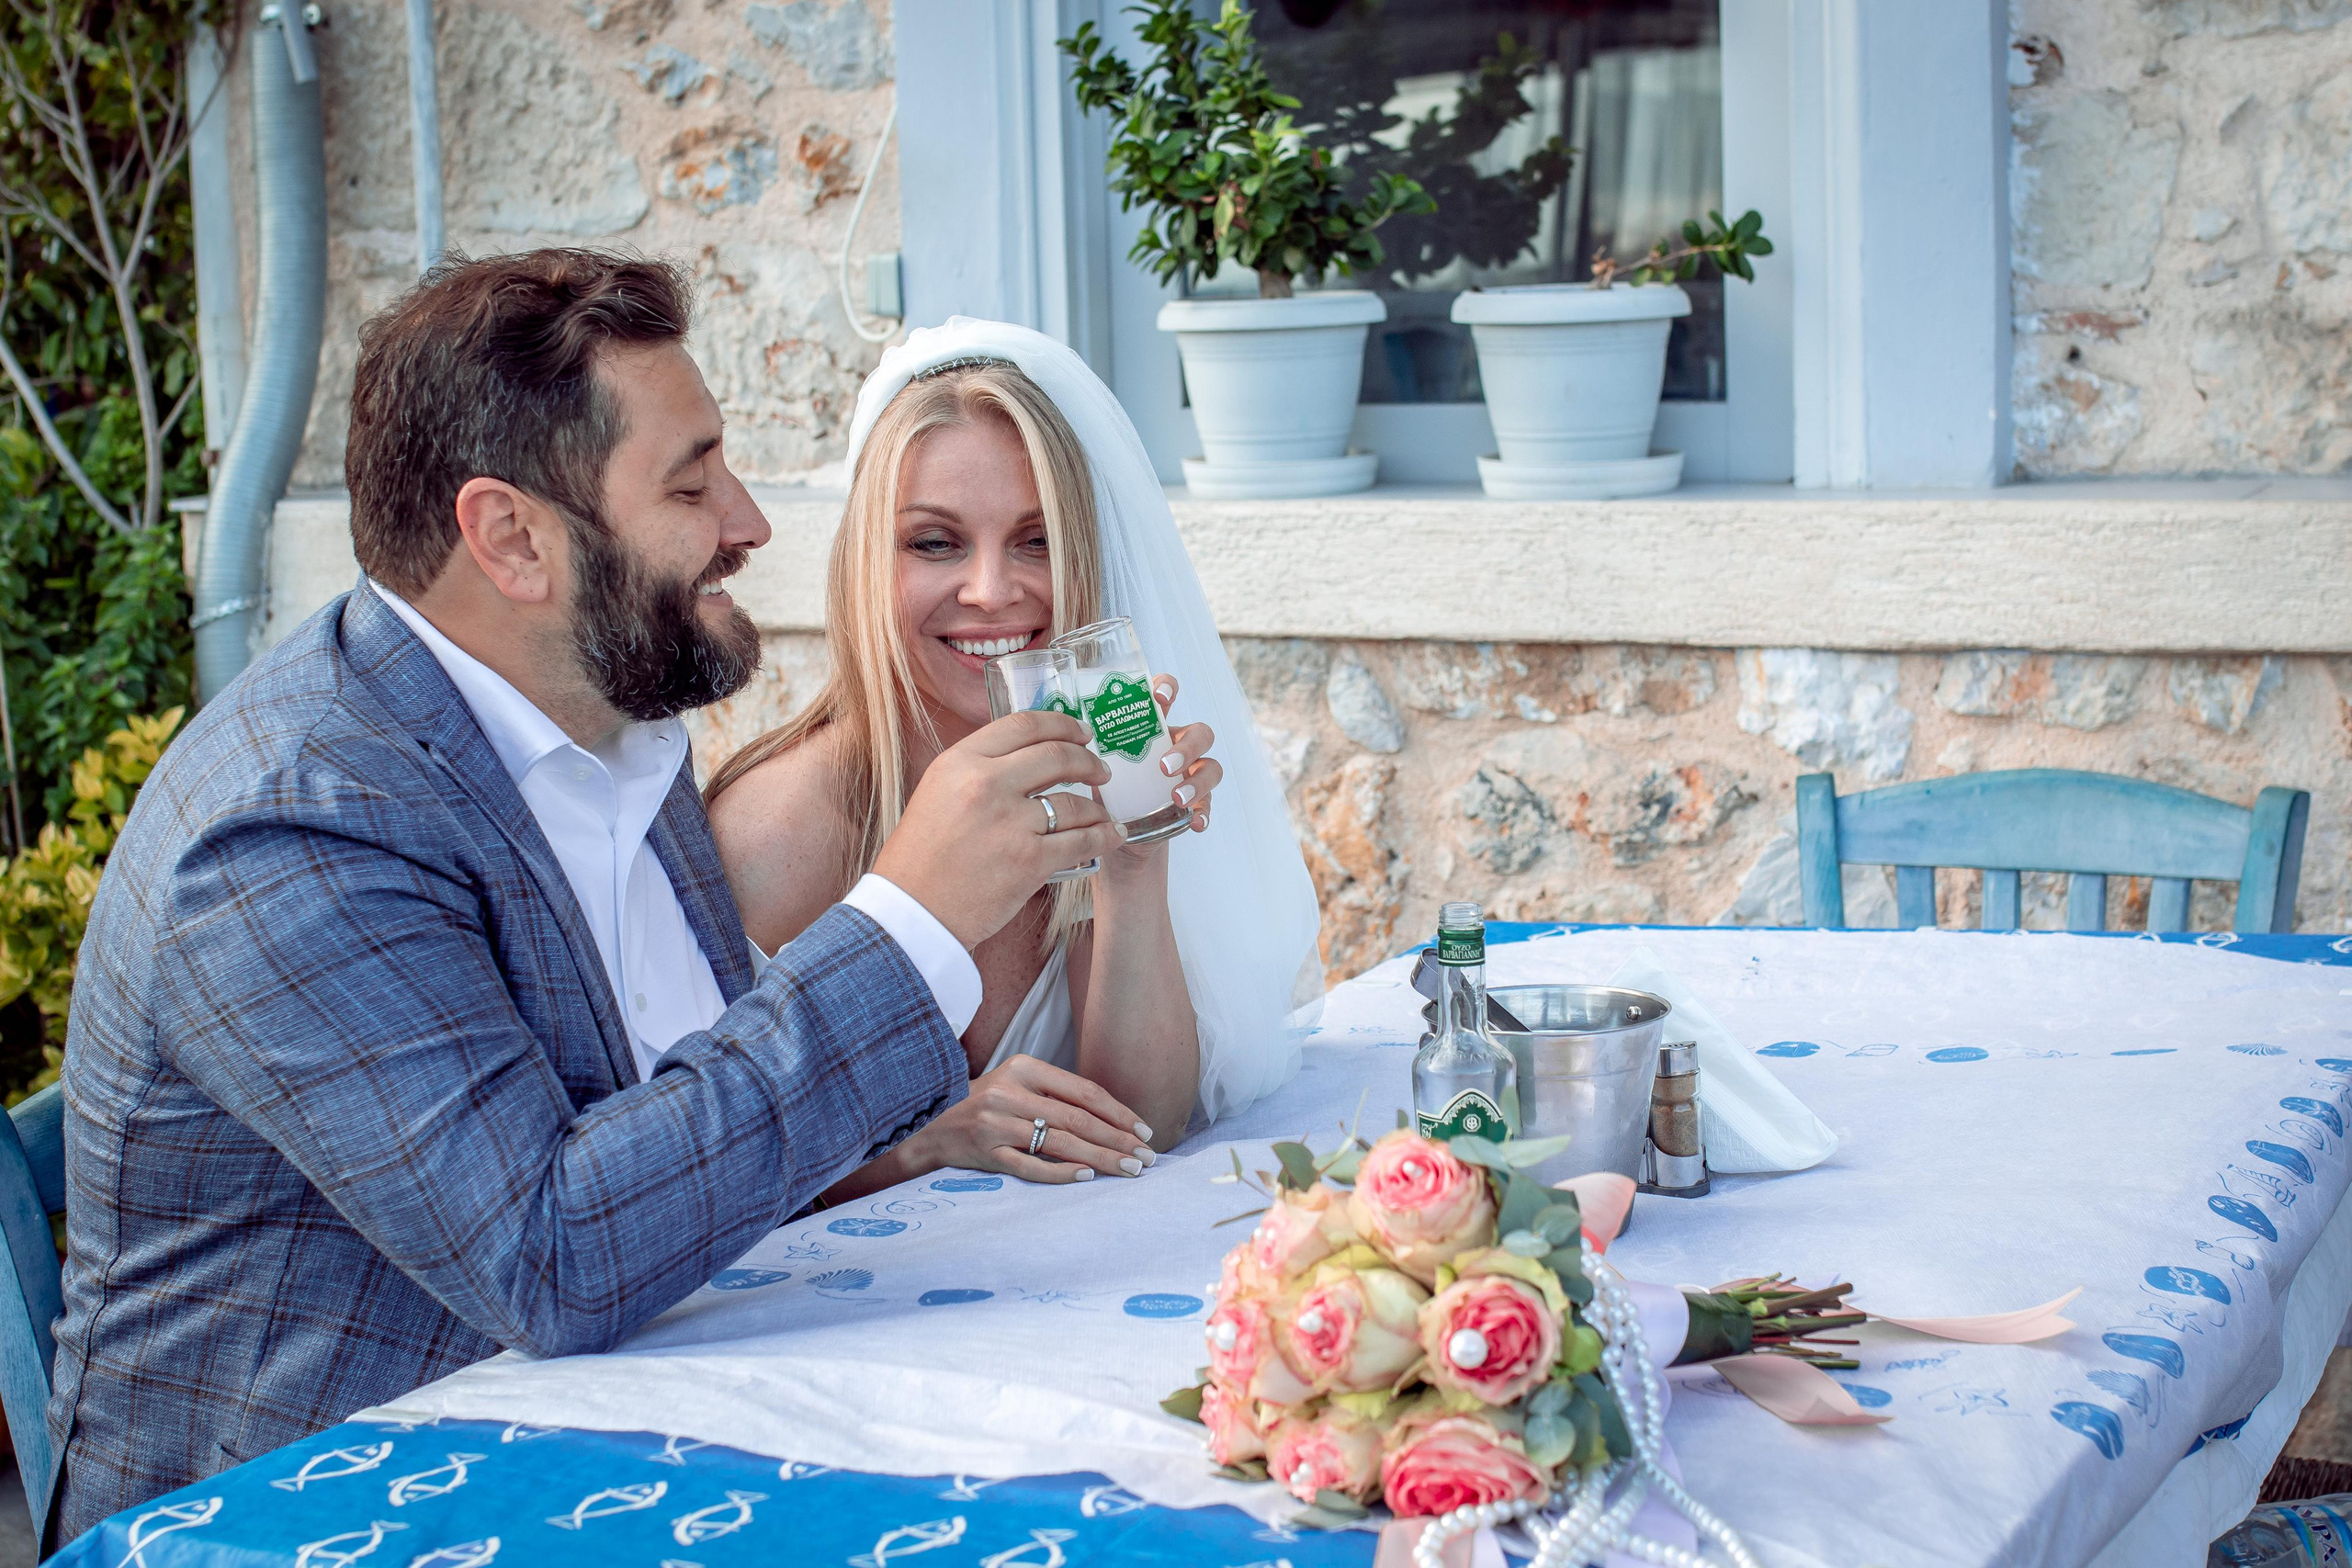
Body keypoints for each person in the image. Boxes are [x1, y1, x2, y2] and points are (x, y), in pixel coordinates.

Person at [45, 254, 1122, 1539]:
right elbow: (553, 1255)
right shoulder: (290, 834)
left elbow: (679, 1135)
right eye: (692, 480)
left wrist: (912, 1130)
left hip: (598, 1421)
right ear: (512, 538)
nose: (750, 521)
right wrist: (909, 919)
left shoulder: (612, 719)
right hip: (306, 1503)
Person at [706, 320, 1322, 1199]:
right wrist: (926, 1139)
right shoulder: (772, 833)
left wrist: (1134, 862)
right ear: (862, 568)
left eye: (1036, 541)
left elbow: (1137, 1121)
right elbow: (701, 1164)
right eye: (935, 542)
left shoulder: (1073, 767)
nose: (994, 589)